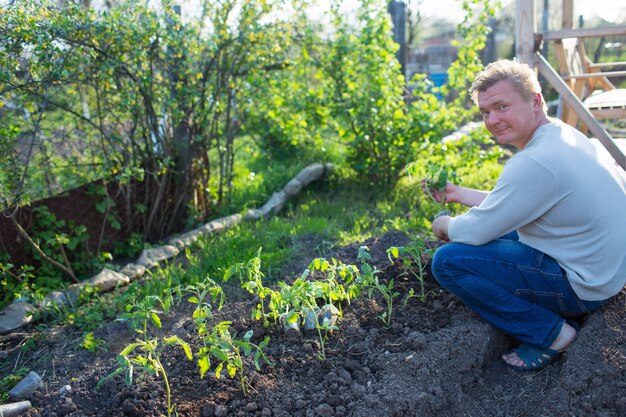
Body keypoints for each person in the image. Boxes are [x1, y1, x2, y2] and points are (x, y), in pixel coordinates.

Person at [422, 59, 626, 371]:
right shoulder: (563, 136)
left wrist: (444, 223)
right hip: (604, 271)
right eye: (486, 112)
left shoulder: (535, 162)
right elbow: (521, 203)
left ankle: (552, 334)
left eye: (502, 106)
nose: (493, 120)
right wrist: (460, 194)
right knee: (496, 229)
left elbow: (471, 233)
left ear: (535, 100)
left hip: (583, 288)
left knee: (448, 262)